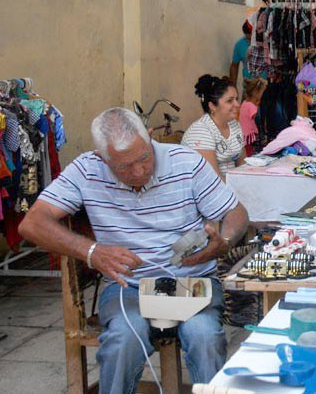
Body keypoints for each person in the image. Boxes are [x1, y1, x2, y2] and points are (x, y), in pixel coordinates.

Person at [18, 107, 250, 394]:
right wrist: (92, 251)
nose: (139, 171)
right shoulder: (86, 169)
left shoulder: (186, 161)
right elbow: (32, 223)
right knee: (123, 339)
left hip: (193, 281)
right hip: (128, 287)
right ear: (102, 158)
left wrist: (223, 241)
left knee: (204, 336)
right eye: (124, 167)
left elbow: (236, 212)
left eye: (144, 158)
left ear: (149, 137)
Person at [183, 75, 246, 179]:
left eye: (236, 99)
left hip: (233, 185)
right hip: (211, 190)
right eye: (230, 101)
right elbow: (213, 180)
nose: (237, 104)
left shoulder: (234, 124)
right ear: (212, 106)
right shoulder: (200, 131)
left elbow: (243, 165)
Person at [240, 77, 267, 156]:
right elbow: (256, 119)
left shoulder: (245, 102)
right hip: (249, 132)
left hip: (243, 131)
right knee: (250, 149)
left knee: (247, 148)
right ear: (256, 93)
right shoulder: (252, 106)